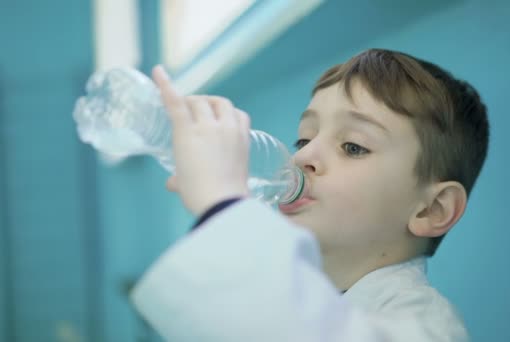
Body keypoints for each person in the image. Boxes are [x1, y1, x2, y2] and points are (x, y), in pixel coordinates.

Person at [130, 48, 489, 341]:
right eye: (304, 138)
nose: (302, 157)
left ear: (431, 209)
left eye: (352, 146)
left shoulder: (427, 326)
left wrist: (221, 205)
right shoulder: (287, 295)